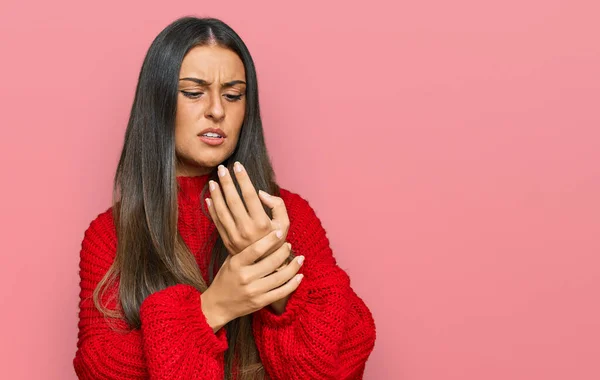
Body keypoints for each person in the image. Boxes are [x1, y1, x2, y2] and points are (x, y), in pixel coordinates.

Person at [73, 16, 376, 380]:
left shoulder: (288, 214)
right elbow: (100, 369)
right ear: (159, 103)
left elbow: (343, 361)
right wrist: (215, 306)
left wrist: (270, 260)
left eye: (233, 95)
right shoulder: (111, 234)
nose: (217, 110)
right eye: (193, 92)